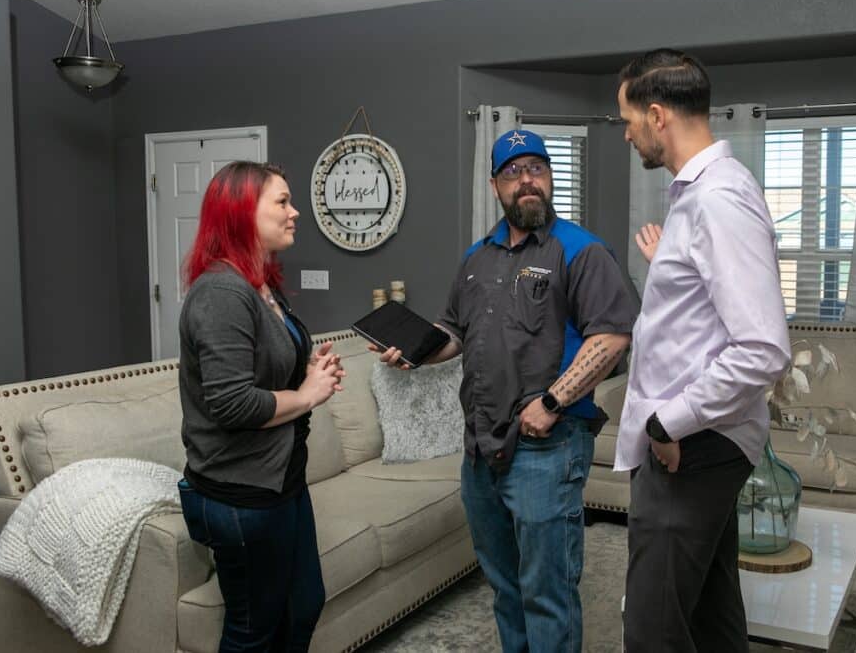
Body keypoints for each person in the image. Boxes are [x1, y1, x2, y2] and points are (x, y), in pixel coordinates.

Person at [373, 129, 638, 652]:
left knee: (548, 592)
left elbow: (611, 338)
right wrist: (415, 352)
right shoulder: (477, 258)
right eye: (514, 172)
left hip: (547, 446)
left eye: (537, 168)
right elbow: (453, 333)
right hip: (480, 448)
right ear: (496, 186)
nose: (527, 180)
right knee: (505, 588)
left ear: (550, 178)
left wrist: (553, 401)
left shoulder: (581, 251)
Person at [614, 50, 792, 652]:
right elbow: (702, 316)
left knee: (653, 633)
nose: (628, 132)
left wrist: (669, 420)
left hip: (692, 447)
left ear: (658, 115)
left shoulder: (718, 198)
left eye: (629, 119)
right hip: (698, 444)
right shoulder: (698, 195)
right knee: (710, 620)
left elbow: (763, 348)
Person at [177, 161, 344, 653]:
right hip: (240, 494)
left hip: (282, 482)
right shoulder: (221, 293)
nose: (295, 213)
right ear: (241, 212)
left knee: (303, 605)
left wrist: (311, 368)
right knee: (254, 630)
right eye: (283, 202)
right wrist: (310, 393)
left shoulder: (261, 282)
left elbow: (265, 367)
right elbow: (231, 403)